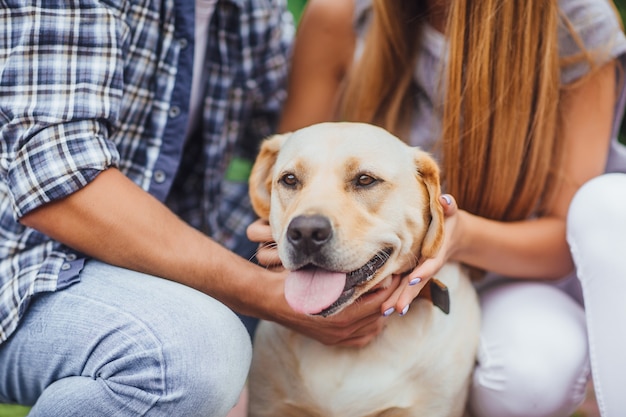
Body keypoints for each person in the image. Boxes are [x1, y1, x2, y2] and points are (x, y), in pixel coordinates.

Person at [0, 1, 400, 416]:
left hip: (167, 250)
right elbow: (58, 185)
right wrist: (262, 292)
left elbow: (296, 150)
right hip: (23, 266)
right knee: (190, 356)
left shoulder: (251, 8)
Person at [248, 0, 626, 416]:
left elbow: (564, 236)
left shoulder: (576, 24)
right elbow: (297, 158)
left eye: (365, 180)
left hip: (520, 274)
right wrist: (283, 233)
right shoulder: (338, 13)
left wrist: (455, 235)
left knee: (531, 374)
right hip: (348, 260)